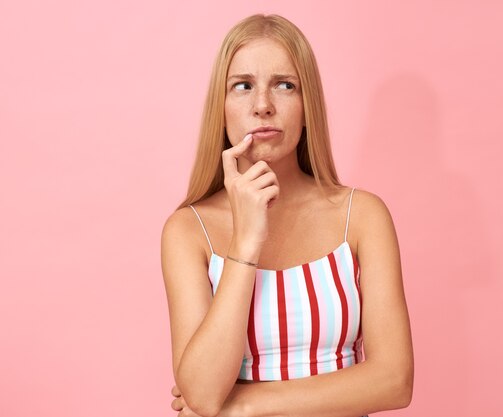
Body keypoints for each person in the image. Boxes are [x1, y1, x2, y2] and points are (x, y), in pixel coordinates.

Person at [161, 14, 413, 417]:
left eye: (285, 85)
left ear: (307, 103)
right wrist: (245, 242)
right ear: (221, 107)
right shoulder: (188, 230)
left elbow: (394, 381)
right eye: (243, 86)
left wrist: (241, 407)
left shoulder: (362, 216)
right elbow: (203, 392)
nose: (263, 106)